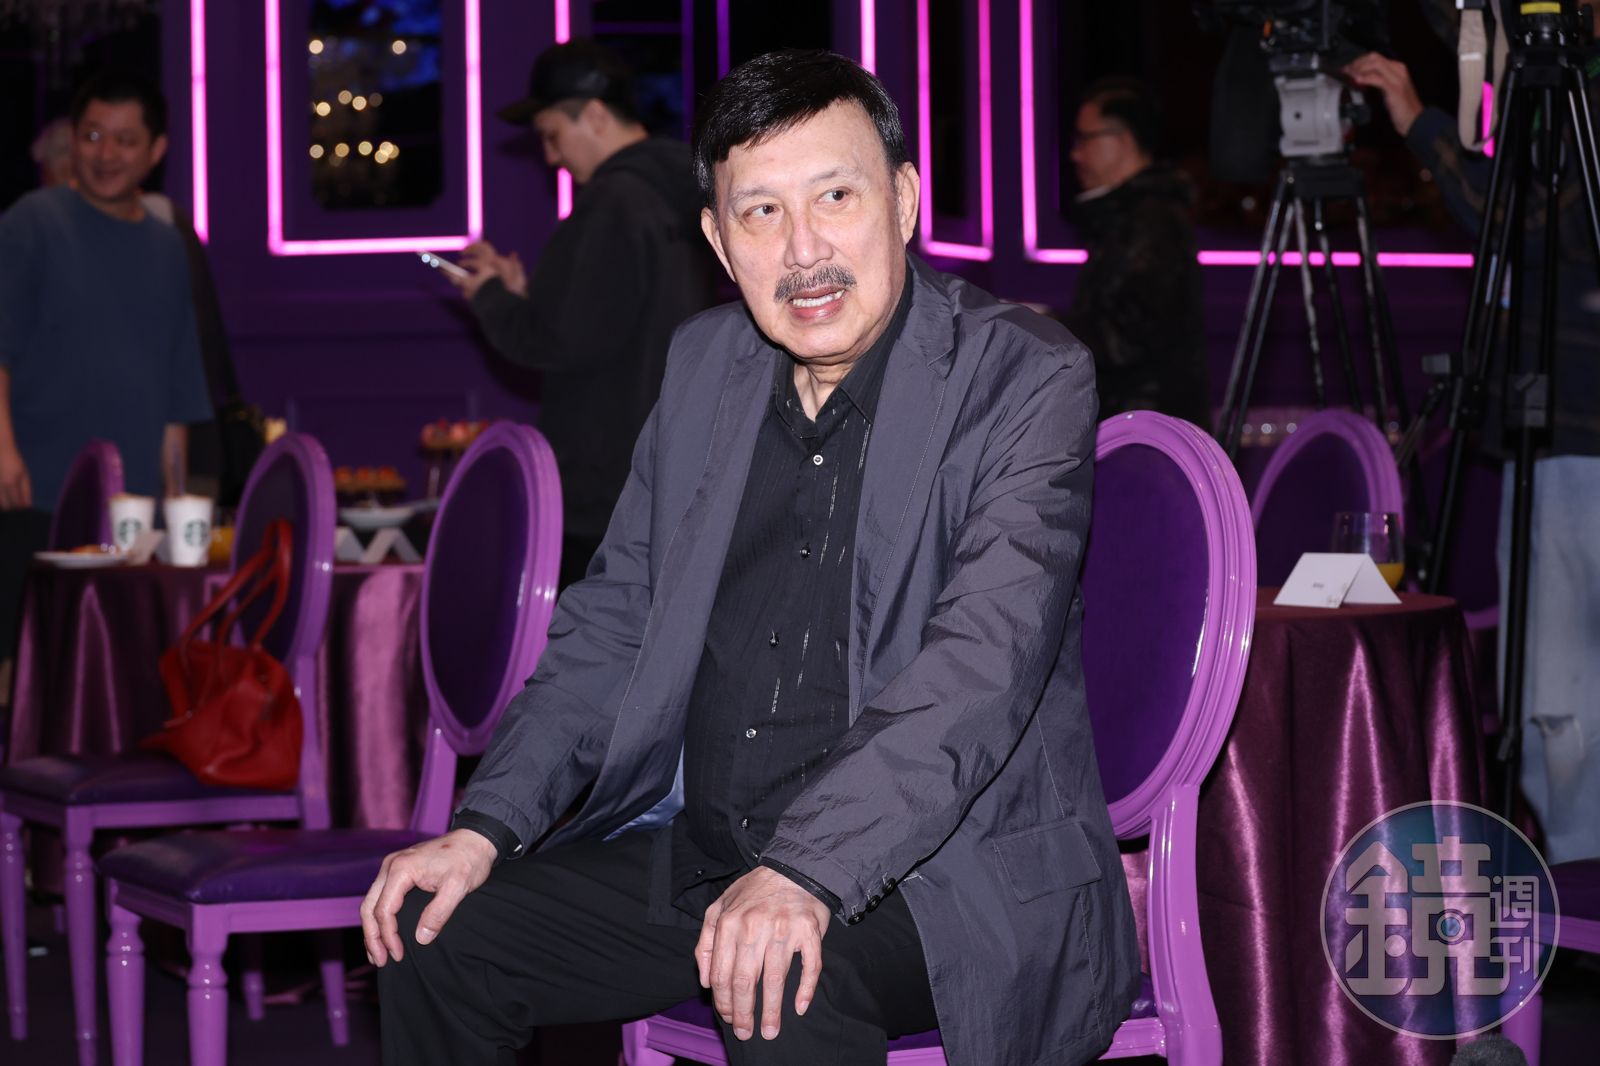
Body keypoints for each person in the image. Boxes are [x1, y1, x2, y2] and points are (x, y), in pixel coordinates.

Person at [365, 49, 1139, 1066]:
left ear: (904, 201)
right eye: (761, 212)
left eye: (835, 196)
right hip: (717, 850)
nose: (803, 248)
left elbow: (980, 666)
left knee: (779, 980)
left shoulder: (1021, 376)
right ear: (718, 243)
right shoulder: (704, 366)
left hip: (946, 872)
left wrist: (807, 869)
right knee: (434, 933)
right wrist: (488, 824)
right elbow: (615, 624)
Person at [1347, 3, 1600, 864]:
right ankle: (1572, 867)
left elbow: (1528, 222)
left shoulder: (1584, 99)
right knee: (1550, 690)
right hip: (1554, 430)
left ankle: (1578, 869)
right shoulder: (1560, 93)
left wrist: (1419, 122)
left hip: (1576, 435)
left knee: (1559, 687)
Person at [449, 39, 719, 589]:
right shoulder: (688, 194)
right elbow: (615, 321)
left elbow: (559, 341)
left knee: (590, 634)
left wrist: (491, 297)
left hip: (603, 482)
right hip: (671, 460)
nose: (550, 157)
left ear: (595, 115)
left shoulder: (612, 203)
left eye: (552, 135)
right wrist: (526, 296)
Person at [0, 71, 212, 654]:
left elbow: (178, 390)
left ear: (156, 150)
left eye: (125, 140)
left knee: (116, 666)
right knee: (23, 661)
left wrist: (174, 502)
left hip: (131, 513)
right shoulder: (32, 222)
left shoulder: (169, 246)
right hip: (33, 491)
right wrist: (2, 448)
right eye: (92, 136)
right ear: (73, 140)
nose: (106, 154)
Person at [1063, 76, 1212, 430]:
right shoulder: (1131, 216)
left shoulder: (1151, 221)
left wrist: (1043, 324)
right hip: (1143, 426)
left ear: (1122, 140)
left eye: (1084, 138)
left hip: (1146, 431)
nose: (1075, 154)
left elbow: (1127, 340)